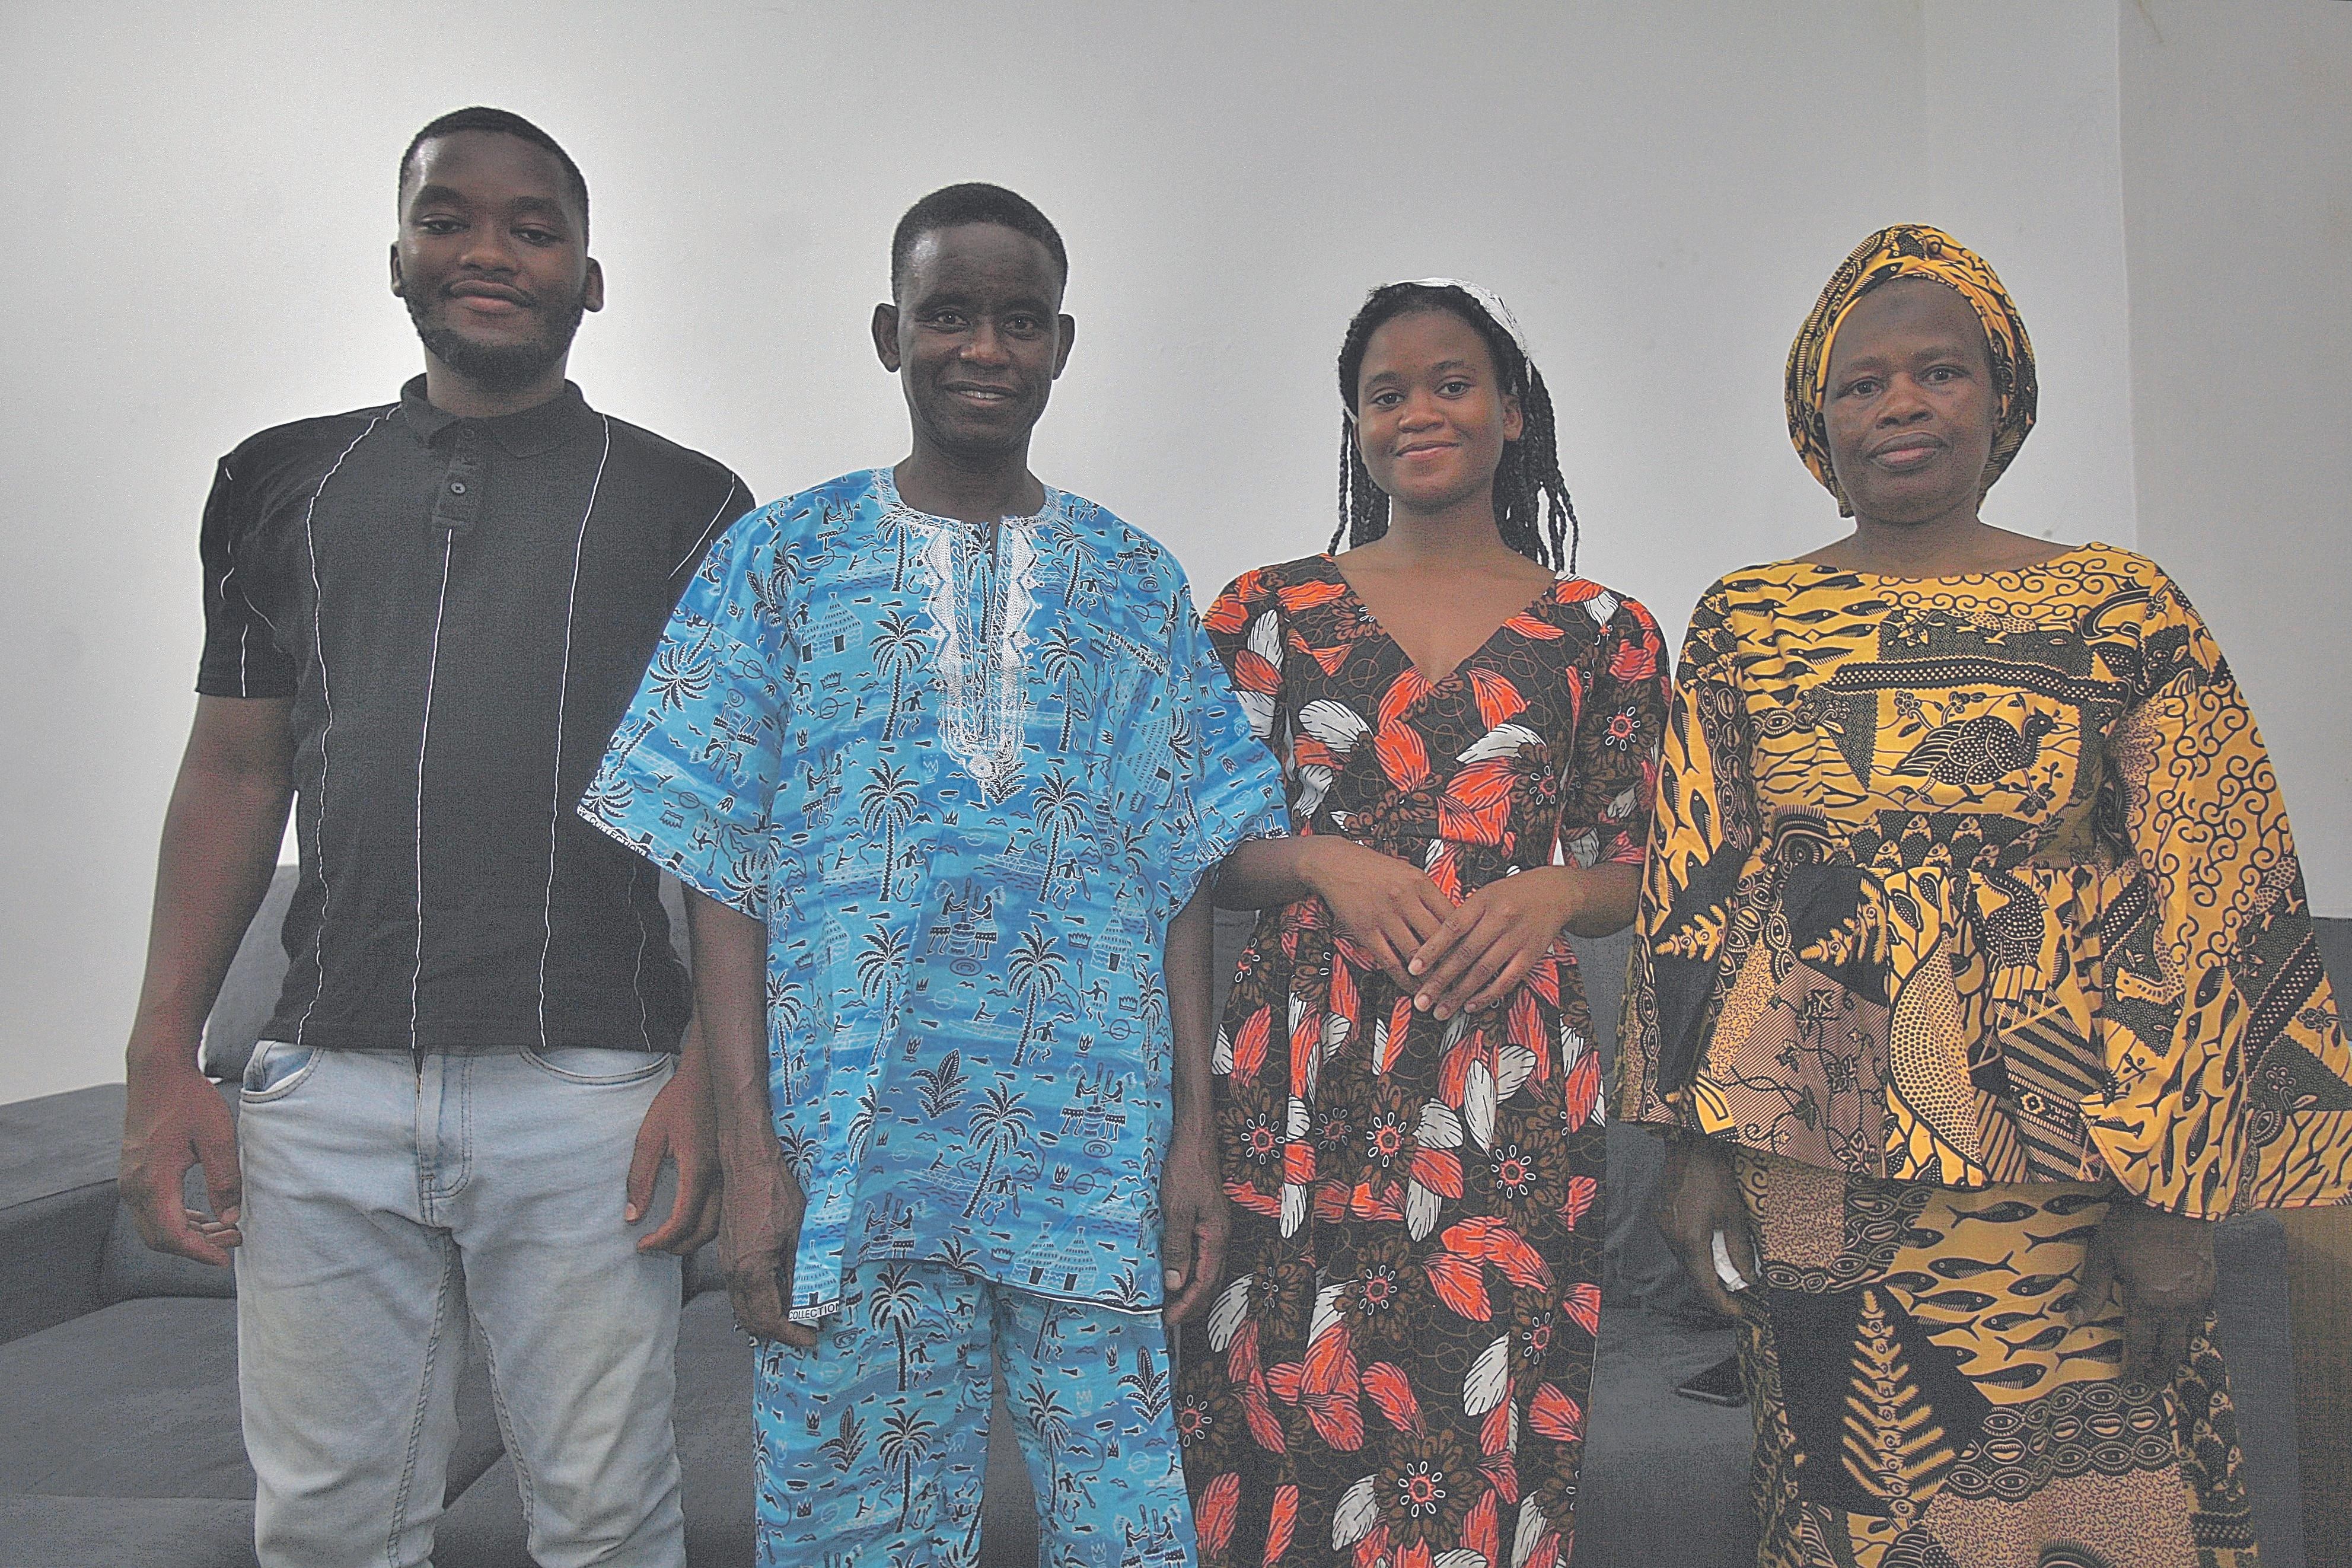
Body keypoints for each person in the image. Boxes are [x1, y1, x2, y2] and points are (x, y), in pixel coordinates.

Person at [1617, 224, 2352, 1567]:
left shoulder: (2121, 605)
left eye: (1939, 372)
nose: (1901, 403)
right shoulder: (1746, 617)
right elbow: (1694, 892)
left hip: (2081, 1164)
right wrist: (1685, 1147)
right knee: (1855, 1511)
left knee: (2094, 1507)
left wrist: (2177, 1193)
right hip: (1813, 1172)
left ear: (2001, 398)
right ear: (1815, 421)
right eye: (1862, 383)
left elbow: (2218, 896)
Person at [579, 182, 1289, 1564]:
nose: (983, 347)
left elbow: (1183, 868)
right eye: (948, 314)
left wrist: (1193, 1135)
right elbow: (721, 873)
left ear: (1063, 344)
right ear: (887, 331)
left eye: (1018, 320)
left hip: (1090, 1147)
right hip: (857, 1149)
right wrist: (751, 1144)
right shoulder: (779, 559)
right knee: (858, 1532)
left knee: (1128, 1528)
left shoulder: (1133, 581)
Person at [114, 107, 748, 1567]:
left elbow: (737, 823)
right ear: (396, 253)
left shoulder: (690, 505)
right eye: (450, 217)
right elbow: (232, 760)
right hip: (321, 1081)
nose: (490, 251)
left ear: (591, 278)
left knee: (606, 1521)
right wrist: (165, 1046)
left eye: (536, 229)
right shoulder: (279, 479)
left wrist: (711, 1079)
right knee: (328, 1526)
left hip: (590, 1080)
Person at [1172, 281, 1671, 1567]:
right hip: (1294, 1070)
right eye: (1385, 393)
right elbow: (1191, 851)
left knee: (1477, 1406)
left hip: (1504, 1080)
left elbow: (1648, 865)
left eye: (1451, 382)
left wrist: (1556, 887)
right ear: (1355, 423)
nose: (1418, 411)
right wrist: (1323, 859)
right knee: (1275, 1397)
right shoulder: (1261, 614)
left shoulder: (1606, 631)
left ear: (1512, 411)